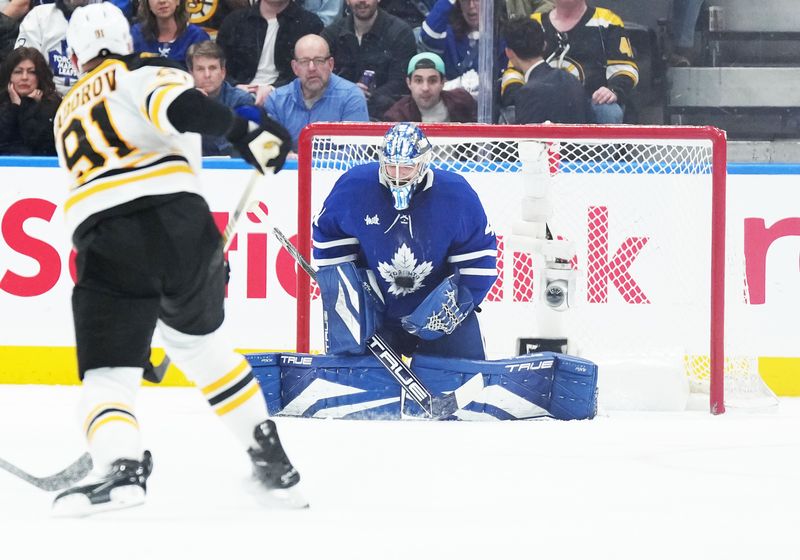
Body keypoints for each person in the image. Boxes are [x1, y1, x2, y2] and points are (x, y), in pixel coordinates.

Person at [51, 3, 304, 515]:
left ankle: (121, 469)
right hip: (185, 227)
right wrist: (246, 132)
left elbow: (101, 189)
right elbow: (183, 110)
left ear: (75, 55)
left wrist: (123, 323)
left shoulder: (64, 112)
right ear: (126, 39)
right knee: (204, 349)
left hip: (109, 238)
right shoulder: (145, 70)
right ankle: (273, 463)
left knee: (108, 377)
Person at [312, 123, 497, 361]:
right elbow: (329, 237)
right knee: (358, 387)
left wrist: (461, 300)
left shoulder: (457, 194)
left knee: (460, 380)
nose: (397, 176)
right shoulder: (354, 187)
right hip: (374, 315)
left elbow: (478, 258)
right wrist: (349, 293)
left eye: (407, 168)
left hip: (437, 316)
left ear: (423, 163)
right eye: (391, 166)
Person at [500, 0, 637, 124]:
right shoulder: (535, 22)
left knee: (608, 111)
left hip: (590, 104)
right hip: (541, 102)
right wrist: (520, 96)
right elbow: (514, 69)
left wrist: (613, 90)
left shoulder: (607, 21)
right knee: (511, 113)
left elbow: (625, 68)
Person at [266, 33, 367, 151]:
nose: (312, 68)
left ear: (330, 64)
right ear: (295, 67)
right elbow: (268, 148)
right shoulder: (276, 100)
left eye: (318, 61)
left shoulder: (351, 97)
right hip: (289, 169)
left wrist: (302, 161)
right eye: (304, 61)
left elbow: (355, 152)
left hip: (336, 170)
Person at [321, 0, 417, 119]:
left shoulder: (400, 32)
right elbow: (321, 77)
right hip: (338, 113)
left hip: (385, 116)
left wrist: (366, 96)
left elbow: (400, 83)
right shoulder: (331, 34)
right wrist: (351, 93)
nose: (362, 1)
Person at [216, 0, 323, 106]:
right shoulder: (234, 21)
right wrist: (235, 86)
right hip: (235, 95)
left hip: (287, 97)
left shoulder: (310, 24)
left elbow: (311, 70)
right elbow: (218, 64)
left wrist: (274, 88)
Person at [502, 15, 591, 124]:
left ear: (508, 52)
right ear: (544, 45)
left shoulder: (527, 92)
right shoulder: (571, 80)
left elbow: (527, 140)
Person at [419, 0, 508, 97]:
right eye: (465, 0)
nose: (471, 6)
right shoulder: (448, 34)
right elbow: (428, 35)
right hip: (452, 105)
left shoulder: (504, 37)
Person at [186, 40, 255, 155]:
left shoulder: (241, 100)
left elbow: (234, 148)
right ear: (191, 74)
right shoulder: (182, 102)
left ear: (223, 72)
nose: (207, 75)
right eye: (200, 69)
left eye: (212, 68)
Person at [14, 0, 91, 95]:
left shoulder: (103, 17)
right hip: (46, 97)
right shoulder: (39, 15)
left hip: (89, 97)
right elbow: (23, 60)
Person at [383, 51, 476, 122]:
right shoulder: (397, 117)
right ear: (409, 83)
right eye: (418, 81)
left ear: (442, 82)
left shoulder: (462, 103)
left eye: (432, 81)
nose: (425, 88)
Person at [0, 46, 61, 155]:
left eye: (31, 72)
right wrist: (15, 107)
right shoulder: (2, 102)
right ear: (9, 76)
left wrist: (30, 105)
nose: (24, 77)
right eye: (18, 72)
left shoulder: (52, 104)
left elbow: (37, 144)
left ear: (39, 76)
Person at [131, 0, 210, 68]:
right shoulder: (136, 35)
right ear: (148, 4)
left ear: (178, 1)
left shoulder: (197, 37)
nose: (162, 1)